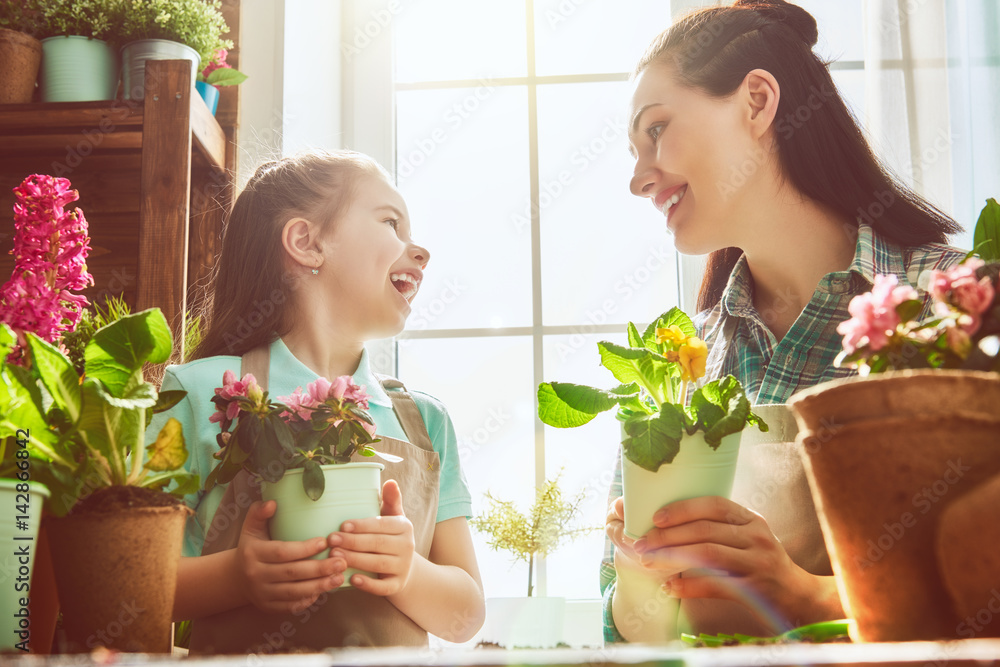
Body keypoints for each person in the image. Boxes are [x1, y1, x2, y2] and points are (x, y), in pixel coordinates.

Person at [602, 0, 967, 643]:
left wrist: (802, 593)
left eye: (656, 129)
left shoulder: (954, 306)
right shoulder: (680, 361)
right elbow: (622, 621)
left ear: (759, 100)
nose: (637, 179)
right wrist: (640, 581)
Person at [148, 151, 485, 654]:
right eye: (391, 222)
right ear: (307, 242)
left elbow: (466, 616)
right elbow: (136, 588)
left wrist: (408, 571)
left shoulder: (425, 421)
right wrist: (238, 576)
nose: (419, 250)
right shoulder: (195, 392)